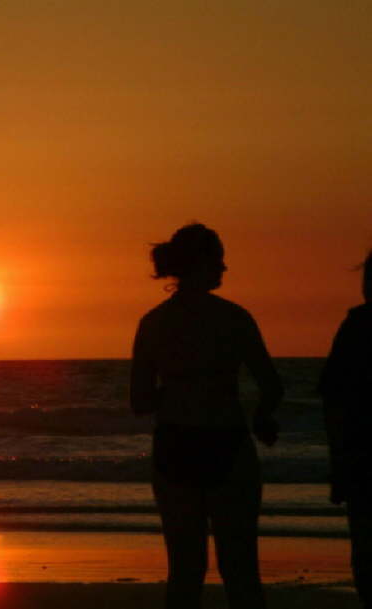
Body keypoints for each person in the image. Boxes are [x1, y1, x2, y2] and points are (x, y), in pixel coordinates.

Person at [129, 223, 282, 609]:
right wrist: (262, 416)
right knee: (241, 567)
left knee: (184, 569)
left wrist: (179, 389)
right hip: (227, 444)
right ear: (202, 263)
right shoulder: (234, 318)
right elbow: (272, 384)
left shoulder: (153, 322)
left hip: (174, 447)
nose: (224, 269)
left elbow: (140, 401)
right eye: (219, 260)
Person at [319, 249, 372, 609]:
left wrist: (338, 465)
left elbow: (333, 403)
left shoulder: (356, 327)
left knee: (367, 556)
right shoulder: (355, 326)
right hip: (361, 462)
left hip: (362, 462)